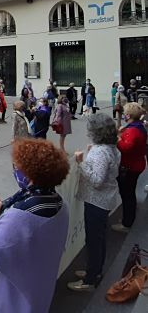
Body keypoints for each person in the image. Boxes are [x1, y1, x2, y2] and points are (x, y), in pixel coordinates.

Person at [0, 138, 70, 313]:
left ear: (30, 174)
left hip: (9, 298)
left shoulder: (23, 213)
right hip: (37, 286)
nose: (15, 170)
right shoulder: (59, 204)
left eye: (17, 166)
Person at [68, 114, 121, 291]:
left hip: (96, 201)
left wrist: (80, 162)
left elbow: (97, 180)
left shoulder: (101, 151)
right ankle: (95, 270)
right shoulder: (111, 147)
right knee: (98, 239)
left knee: (94, 240)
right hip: (105, 199)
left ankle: (90, 280)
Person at [113, 103, 147, 233]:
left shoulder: (133, 130)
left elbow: (126, 147)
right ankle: (129, 216)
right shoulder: (138, 127)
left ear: (128, 115)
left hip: (130, 167)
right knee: (130, 192)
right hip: (137, 164)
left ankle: (127, 222)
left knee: (127, 194)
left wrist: (117, 138)